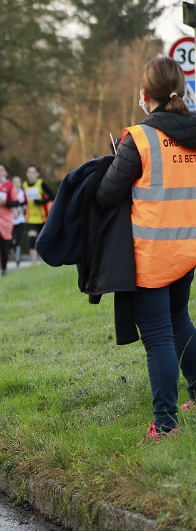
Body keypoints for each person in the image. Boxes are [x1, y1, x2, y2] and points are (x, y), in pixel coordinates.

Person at [96, 55, 196, 441]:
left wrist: (113, 161)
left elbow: (107, 194)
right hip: (187, 249)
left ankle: (166, 425)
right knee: (179, 321)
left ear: (145, 94)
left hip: (152, 253)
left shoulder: (139, 138)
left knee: (157, 336)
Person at [21, 164, 55, 265]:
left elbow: (52, 196)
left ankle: (47, 260)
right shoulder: (25, 185)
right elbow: (24, 199)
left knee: (43, 240)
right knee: (32, 238)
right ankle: (34, 263)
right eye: (29, 172)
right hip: (30, 217)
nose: (31, 174)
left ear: (37, 174)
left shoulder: (41, 184)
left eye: (33, 172)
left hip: (42, 217)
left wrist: (41, 202)